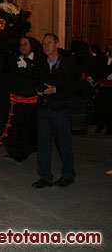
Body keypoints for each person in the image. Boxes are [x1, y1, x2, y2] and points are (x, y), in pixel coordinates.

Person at [32, 33, 79, 188]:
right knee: (43, 143)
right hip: (44, 108)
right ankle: (45, 176)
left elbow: (74, 85)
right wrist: (39, 90)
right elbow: (36, 80)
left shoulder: (67, 63)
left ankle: (68, 175)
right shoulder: (41, 63)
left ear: (56, 44)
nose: (46, 46)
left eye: (49, 43)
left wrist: (56, 90)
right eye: (44, 43)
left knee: (63, 143)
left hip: (60, 108)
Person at [4, 36, 41, 163]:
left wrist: (29, 66)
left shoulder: (38, 61)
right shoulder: (14, 60)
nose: (22, 47)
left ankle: (29, 148)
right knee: (16, 128)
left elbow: (38, 76)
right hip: (17, 101)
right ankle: (16, 153)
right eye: (21, 44)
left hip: (31, 102)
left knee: (29, 128)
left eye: (25, 44)